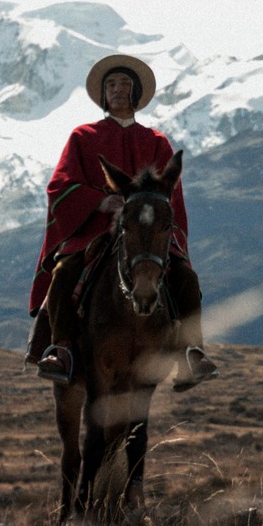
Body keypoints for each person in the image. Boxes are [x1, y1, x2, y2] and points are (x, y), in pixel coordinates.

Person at [28, 53, 217, 389]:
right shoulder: (82, 137)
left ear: (136, 94)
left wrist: (151, 217)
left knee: (185, 277)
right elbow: (60, 185)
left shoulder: (156, 141)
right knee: (63, 273)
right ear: (103, 94)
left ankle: (192, 352)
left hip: (145, 234)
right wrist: (100, 200)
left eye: (125, 84)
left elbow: (170, 193)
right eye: (111, 84)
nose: (117, 89)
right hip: (94, 230)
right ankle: (62, 348)